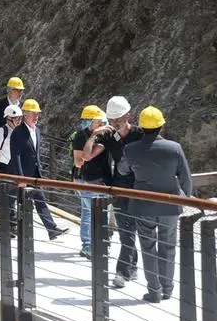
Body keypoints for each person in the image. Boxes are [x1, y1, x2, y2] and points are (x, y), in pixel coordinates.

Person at [119, 106, 191, 302]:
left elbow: (123, 170)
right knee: (168, 246)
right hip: (170, 205)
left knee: (147, 246)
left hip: (143, 206)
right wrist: (188, 197)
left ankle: (154, 291)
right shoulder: (174, 148)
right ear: (161, 126)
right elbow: (185, 177)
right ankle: (167, 289)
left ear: (141, 128)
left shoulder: (131, 149)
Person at [83, 95, 143, 288]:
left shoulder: (141, 135)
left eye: (118, 118)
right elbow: (87, 156)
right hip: (118, 188)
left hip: (139, 189)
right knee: (126, 230)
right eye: (112, 119)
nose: (115, 122)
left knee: (128, 229)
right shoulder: (109, 136)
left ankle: (122, 271)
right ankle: (130, 268)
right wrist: (94, 135)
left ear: (128, 115)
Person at [9, 99, 68, 239]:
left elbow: (35, 153)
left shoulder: (37, 131)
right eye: (33, 113)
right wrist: (20, 177)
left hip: (34, 174)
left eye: (37, 114)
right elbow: (15, 155)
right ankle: (11, 227)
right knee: (14, 202)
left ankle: (51, 229)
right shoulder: (18, 132)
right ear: (25, 114)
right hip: (22, 175)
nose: (36, 117)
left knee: (39, 201)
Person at [71, 105, 113, 258]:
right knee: (97, 213)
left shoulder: (103, 135)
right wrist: (94, 137)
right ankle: (95, 244)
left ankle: (88, 245)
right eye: (98, 122)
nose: (101, 124)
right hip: (89, 180)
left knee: (88, 212)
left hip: (94, 179)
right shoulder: (82, 136)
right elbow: (79, 161)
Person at [0, 104, 23, 216]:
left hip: (14, 165)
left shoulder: (20, 131)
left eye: (20, 118)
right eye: (16, 118)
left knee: (12, 191)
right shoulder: (2, 132)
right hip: (3, 166)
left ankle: (2, 214)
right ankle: (9, 216)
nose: (18, 121)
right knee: (7, 191)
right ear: (8, 119)